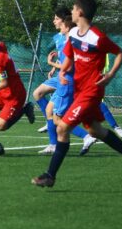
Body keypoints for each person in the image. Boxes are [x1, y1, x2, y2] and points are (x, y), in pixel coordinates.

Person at [32, 0, 122, 188]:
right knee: (95, 130)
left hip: (92, 90)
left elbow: (120, 53)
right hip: (78, 88)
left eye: (74, 9)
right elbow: (69, 55)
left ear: (81, 13)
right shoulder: (74, 33)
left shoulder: (97, 37)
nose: (72, 13)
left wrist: (109, 75)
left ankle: (50, 175)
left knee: (62, 127)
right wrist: (64, 71)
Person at [36, 15, 97, 155]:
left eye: (61, 24)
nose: (59, 27)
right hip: (65, 80)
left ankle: (86, 136)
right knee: (50, 111)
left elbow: (68, 67)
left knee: (59, 120)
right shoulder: (68, 41)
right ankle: (53, 143)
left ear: (67, 27)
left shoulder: (69, 42)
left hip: (66, 82)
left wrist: (51, 63)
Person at [33, 7, 71, 133]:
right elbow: (64, 57)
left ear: (64, 20)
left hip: (68, 76)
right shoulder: (58, 37)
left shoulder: (71, 37)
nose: (54, 21)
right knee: (37, 93)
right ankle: (49, 121)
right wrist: (53, 68)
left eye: (56, 18)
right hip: (60, 73)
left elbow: (70, 60)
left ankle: (88, 135)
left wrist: (51, 63)